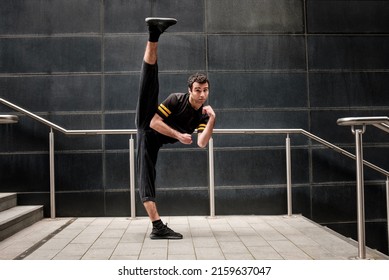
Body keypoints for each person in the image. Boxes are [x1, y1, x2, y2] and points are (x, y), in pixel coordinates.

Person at [136, 17, 216, 239]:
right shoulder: (176, 100)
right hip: (147, 128)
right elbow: (153, 122)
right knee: (149, 78)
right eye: (198, 90)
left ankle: (154, 32)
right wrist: (178, 135)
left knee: (149, 78)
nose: (202, 94)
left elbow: (201, 143)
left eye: (205, 90)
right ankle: (157, 227)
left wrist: (212, 120)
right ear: (190, 90)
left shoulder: (203, 115)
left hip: (156, 139)